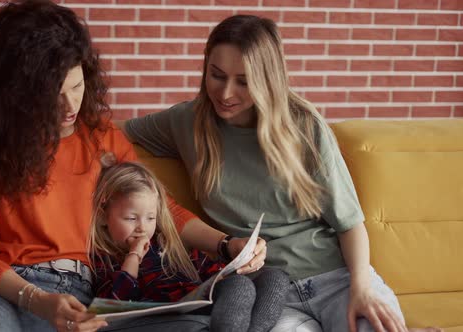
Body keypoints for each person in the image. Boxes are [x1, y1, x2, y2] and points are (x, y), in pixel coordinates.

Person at [0, 2, 266, 331]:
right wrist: (36, 299)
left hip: (81, 292)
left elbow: (159, 206)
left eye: (76, 86)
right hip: (7, 289)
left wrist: (227, 244)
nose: (70, 105)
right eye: (53, 96)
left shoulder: (101, 137)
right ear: (18, 96)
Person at [118, 15, 443, 332]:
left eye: (244, 81)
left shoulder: (303, 126)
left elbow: (350, 223)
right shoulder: (186, 122)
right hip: (271, 294)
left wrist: (361, 289)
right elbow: (111, 134)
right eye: (217, 75)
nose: (226, 93)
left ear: (267, 79)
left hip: (336, 279)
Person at [89, 159, 289, 332]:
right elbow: (112, 306)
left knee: (274, 277)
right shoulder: (102, 257)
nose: (142, 228)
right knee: (239, 287)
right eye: (131, 218)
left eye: (151, 218)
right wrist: (133, 257)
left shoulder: (166, 245)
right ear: (103, 217)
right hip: (166, 317)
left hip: (199, 301)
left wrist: (236, 266)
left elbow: (210, 273)